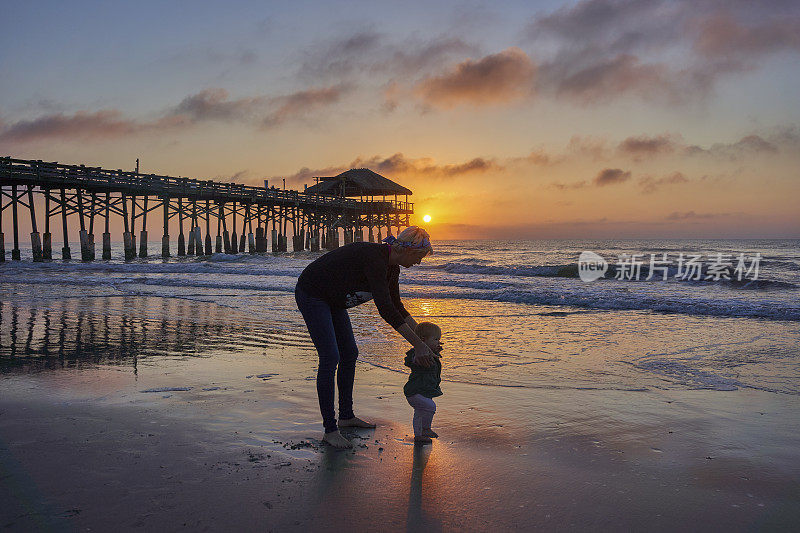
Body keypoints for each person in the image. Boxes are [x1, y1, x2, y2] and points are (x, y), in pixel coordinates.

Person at [295, 226, 435, 448]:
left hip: (334, 300)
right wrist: (417, 345)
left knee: (350, 353)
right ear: (407, 249)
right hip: (313, 294)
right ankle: (330, 431)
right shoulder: (375, 259)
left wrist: (424, 339)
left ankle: (346, 417)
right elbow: (386, 310)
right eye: (419, 256)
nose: (418, 262)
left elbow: (398, 306)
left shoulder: (392, 269)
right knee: (330, 357)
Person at [404, 322, 443, 444]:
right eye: (436, 339)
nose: (438, 342)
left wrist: (436, 352)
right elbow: (412, 360)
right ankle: (426, 429)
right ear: (423, 340)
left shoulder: (430, 353)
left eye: (439, 340)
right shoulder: (417, 354)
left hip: (423, 390)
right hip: (415, 391)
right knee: (430, 406)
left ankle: (419, 435)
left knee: (420, 412)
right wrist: (416, 358)